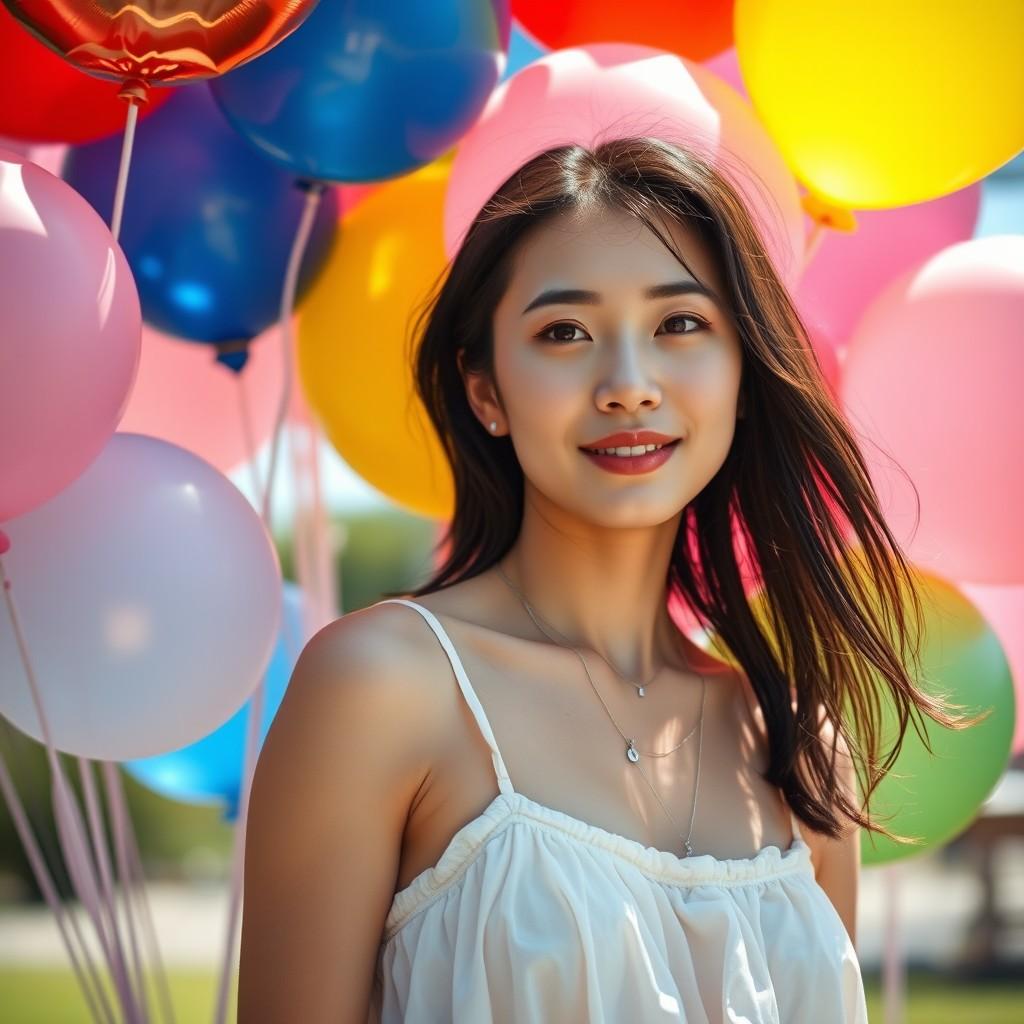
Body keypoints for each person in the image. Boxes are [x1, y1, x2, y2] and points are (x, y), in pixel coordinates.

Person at [237, 136, 961, 1023]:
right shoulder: (383, 686)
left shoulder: (801, 752)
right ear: (487, 393)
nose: (627, 385)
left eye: (680, 324)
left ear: (741, 373)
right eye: (564, 333)